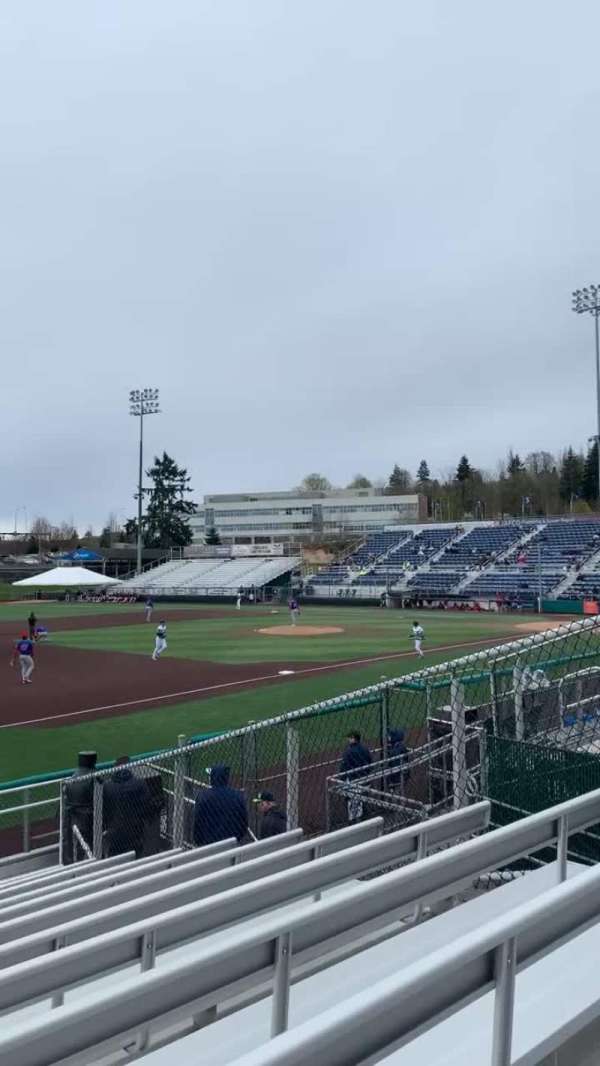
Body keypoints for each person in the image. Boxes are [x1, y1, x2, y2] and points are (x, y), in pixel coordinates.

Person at [102, 756, 152, 858]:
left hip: (114, 832)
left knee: (115, 858)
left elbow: (104, 811)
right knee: (136, 855)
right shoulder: (139, 783)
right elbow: (147, 807)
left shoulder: (107, 786)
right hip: (135, 830)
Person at [193, 764, 248, 846]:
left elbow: (197, 823)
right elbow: (244, 823)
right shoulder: (237, 796)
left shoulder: (203, 797)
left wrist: (200, 841)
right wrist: (237, 838)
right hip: (231, 843)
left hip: (208, 845)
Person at [63, 751, 97, 863]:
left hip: (72, 819)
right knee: (91, 846)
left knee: (76, 846)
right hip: (89, 819)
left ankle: (74, 863)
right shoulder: (93, 777)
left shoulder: (72, 778)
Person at [339, 731, 372, 822]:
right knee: (363, 801)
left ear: (354, 738)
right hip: (366, 780)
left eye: (349, 738)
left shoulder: (348, 752)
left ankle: (355, 823)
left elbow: (344, 768)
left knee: (353, 805)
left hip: (354, 782)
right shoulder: (365, 748)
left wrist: (341, 781)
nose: (348, 739)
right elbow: (370, 762)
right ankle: (365, 819)